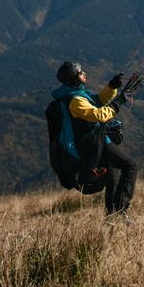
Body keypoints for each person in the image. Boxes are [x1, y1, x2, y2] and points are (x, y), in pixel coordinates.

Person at [47, 61, 137, 221]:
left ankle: (113, 215)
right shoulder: (75, 100)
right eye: (81, 73)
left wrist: (112, 86)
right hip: (92, 144)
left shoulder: (77, 93)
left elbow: (99, 99)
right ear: (74, 79)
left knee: (113, 172)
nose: (84, 74)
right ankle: (120, 211)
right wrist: (118, 103)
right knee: (130, 165)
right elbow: (98, 115)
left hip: (96, 141)